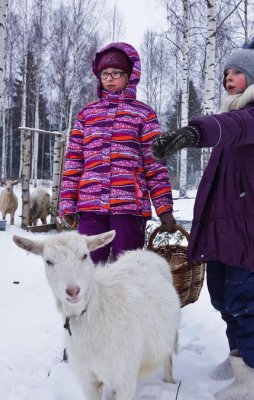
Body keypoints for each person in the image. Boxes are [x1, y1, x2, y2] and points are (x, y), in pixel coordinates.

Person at [151, 38, 254, 400]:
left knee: (247, 299)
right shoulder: (240, 111)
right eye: (226, 72)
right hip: (227, 222)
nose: (229, 78)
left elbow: (235, 126)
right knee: (224, 296)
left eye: (237, 72)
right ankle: (240, 360)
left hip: (249, 225)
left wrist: (193, 132)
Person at [60, 42, 177, 265]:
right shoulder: (86, 115)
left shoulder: (143, 115)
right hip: (90, 206)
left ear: (129, 75)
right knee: (90, 268)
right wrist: (68, 202)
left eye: (116, 73)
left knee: (128, 269)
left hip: (129, 206)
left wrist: (164, 208)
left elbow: (155, 165)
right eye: (105, 73)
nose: (110, 78)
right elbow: (74, 162)